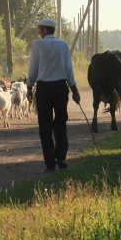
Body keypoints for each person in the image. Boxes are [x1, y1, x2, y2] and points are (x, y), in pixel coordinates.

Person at [26, 18, 80, 173]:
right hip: (61, 88)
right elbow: (69, 69)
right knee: (61, 122)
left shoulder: (38, 45)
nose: (38, 32)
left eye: (39, 29)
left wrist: (29, 87)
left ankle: (50, 163)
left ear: (44, 30)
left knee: (45, 125)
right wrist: (74, 90)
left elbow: (33, 68)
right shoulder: (63, 45)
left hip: (44, 89)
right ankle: (61, 157)